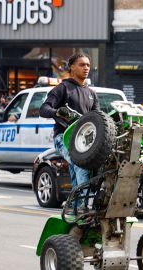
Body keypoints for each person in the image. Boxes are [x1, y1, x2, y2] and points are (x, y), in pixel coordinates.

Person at [39, 53, 100, 205]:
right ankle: (83, 207)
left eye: (88, 64)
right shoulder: (63, 88)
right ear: (71, 68)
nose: (86, 68)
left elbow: (98, 117)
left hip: (85, 140)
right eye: (82, 64)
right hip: (64, 137)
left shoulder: (91, 93)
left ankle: (75, 206)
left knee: (81, 170)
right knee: (80, 164)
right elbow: (43, 109)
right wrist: (57, 112)